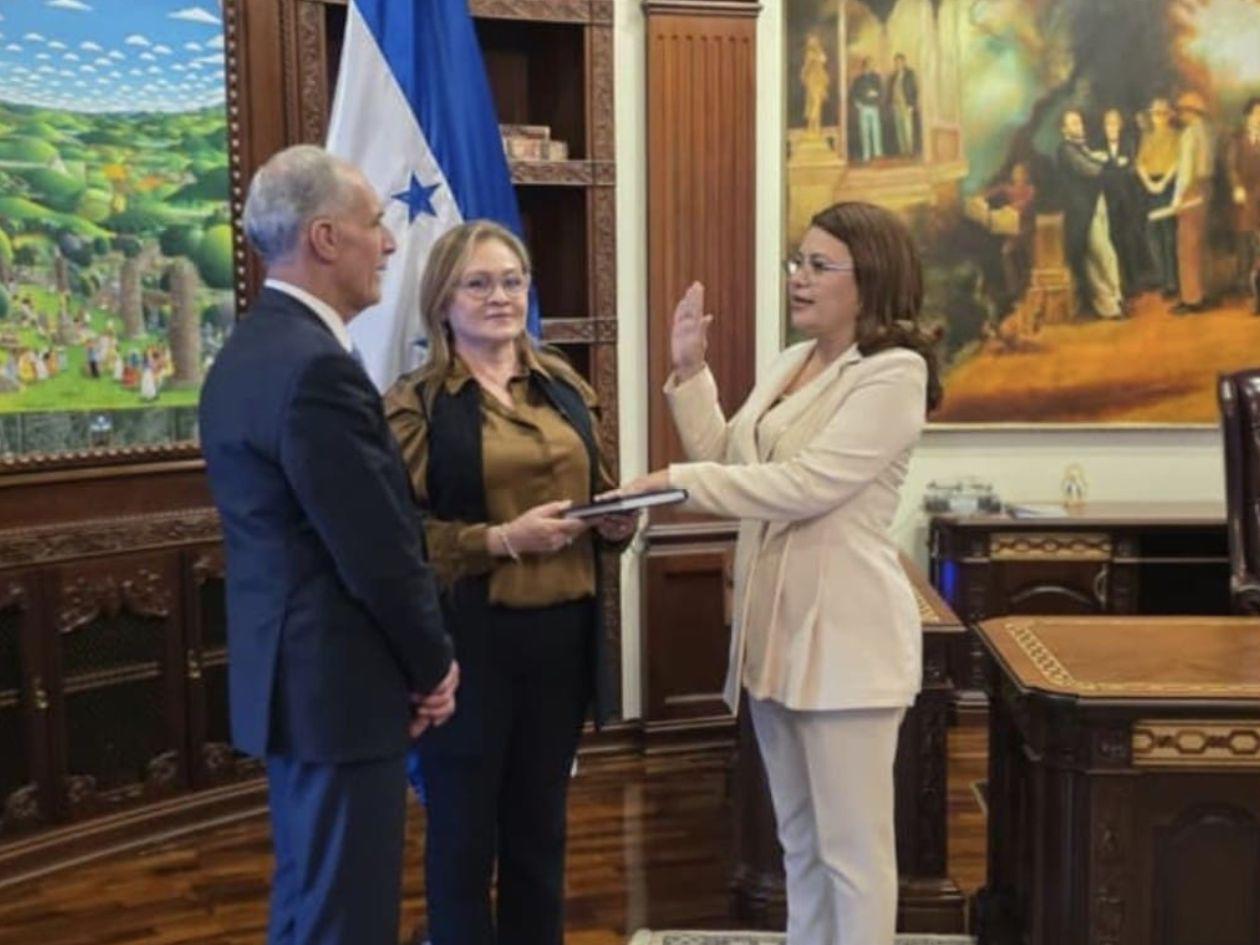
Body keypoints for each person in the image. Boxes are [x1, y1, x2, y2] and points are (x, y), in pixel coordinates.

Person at [621, 201, 941, 945]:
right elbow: (731, 459)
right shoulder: (789, 363)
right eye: (798, 261)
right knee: (798, 842)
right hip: (774, 637)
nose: (799, 277)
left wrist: (675, 481)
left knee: (853, 857)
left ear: (871, 278)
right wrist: (690, 371)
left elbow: (805, 486)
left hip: (848, 641)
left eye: (819, 266)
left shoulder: (894, 373)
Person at [199, 144, 458, 945]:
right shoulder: (316, 369)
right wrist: (434, 665)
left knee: (313, 902)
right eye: (374, 223)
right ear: (324, 237)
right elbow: (375, 550)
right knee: (344, 915)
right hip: (339, 691)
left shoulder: (248, 352)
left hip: (300, 688)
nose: (389, 242)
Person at [383, 220, 637, 945]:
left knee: (540, 830)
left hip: (563, 637)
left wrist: (617, 520)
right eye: (479, 283)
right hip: (469, 644)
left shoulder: (564, 384)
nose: (500, 297)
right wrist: (499, 540)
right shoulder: (416, 403)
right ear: (443, 300)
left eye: (512, 281)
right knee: (464, 836)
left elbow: (602, 489)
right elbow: (399, 539)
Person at [1058, 108, 1124, 318]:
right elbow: (1090, 170)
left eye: (1079, 122)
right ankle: (1109, 306)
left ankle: (1116, 298)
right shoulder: (1066, 150)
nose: (1079, 126)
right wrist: (1111, 163)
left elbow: (1093, 163)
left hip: (1095, 205)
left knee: (1105, 255)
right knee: (1098, 256)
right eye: (1073, 123)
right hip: (1083, 211)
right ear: (1064, 129)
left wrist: (1102, 160)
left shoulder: (1081, 147)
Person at [1171, 90, 1215, 314]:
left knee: (1187, 246)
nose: (1180, 115)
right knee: (1199, 244)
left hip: (1191, 192)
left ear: (1191, 113)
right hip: (1204, 192)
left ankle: (1192, 299)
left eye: (1183, 111)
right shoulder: (1206, 133)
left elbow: (1185, 172)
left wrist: (1177, 199)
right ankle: (1201, 294)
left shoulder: (1189, 134)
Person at [1135, 97, 1182, 299]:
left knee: (1169, 235)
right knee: (1153, 235)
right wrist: (1149, 183)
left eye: (1162, 113)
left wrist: (1163, 183)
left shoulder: (1176, 136)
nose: (1158, 117)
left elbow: (1178, 162)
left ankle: (1172, 283)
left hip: (1168, 186)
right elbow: (1140, 163)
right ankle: (1162, 278)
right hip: (1150, 187)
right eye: (1155, 113)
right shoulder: (1147, 137)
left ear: (1169, 115)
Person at [1229, 97, 1260, 314]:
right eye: (1256, 114)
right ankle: (1250, 294)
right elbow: (1231, 167)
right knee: (1247, 246)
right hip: (1245, 200)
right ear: (1248, 116)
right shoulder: (1237, 140)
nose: (1259, 118)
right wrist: (1237, 187)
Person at [885, 52, 918, 157]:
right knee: (899, 128)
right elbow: (890, 91)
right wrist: (890, 103)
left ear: (904, 62)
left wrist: (912, 104)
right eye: (896, 62)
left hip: (906, 104)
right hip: (896, 105)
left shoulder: (910, 74)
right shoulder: (893, 76)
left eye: (899, 62)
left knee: (907, 128)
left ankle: (910, 150)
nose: (897, 64)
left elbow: (914, 90)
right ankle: (903, 151)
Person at [850, 58, 884, 162]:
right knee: (864, 131)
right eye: (867, 65)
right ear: (863, 66)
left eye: (870, 65)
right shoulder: (858, 79)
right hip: (863, 107)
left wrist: (876, 95)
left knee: (876, 130)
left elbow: (881, 91)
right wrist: (857, 103)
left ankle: (877, 153)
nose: (869, 67)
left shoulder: (876, 77)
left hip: (874, 106)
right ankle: (866, 154)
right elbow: (853, 93)